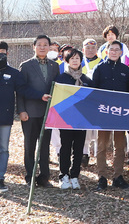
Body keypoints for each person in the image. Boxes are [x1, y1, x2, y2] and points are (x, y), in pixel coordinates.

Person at [0, 41, 51, 194]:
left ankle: (0, 179)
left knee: (3, 150)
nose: (0, 54)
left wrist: (41, 96)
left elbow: (24, 90)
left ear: (7, 53)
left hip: (5, 119)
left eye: (3, 51)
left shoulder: (14, 74)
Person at [17, 35, 59, 187]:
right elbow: (20, 90)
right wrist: (21, 110)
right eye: (39, 44)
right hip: (30, 112)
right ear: (33, 46)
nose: (42, 47)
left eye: (45, 44)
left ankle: (44, 177)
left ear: (49, 47)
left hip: (47, 113)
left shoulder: (55, 66)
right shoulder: (26, 65)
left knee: (45, 146)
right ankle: (30, 177)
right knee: (30, 146)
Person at [91, 40, 129, 190]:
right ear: (107, 51)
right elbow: (93, 91)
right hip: (103, 113)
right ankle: (102, 177)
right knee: (102, 146)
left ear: (121, 52)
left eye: (117, 49)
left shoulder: (125, 69)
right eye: (111, 49)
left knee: (120, 147)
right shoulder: (99, 68)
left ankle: (118, 176)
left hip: (120, 114)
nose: (114, 52)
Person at [54, 48, 91, 190]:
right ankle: (64, 175)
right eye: (72, 58)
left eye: (77, 58)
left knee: (78, 148)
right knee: (65, 148)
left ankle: (75, 175)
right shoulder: (61, 78)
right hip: (65, 120)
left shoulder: (86, 80)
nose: (75, 61)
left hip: (82, 120)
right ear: (67, 61)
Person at [81, 38, 101, 166]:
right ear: (83, 49)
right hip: (82, 101)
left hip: (97, 101)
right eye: (87, 48)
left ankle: (99, 155)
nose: (90, 50)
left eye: (93, 47)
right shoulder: (78, 61)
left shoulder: (102, 63)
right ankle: (85, 153)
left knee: (97, 131)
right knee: (84, 129)